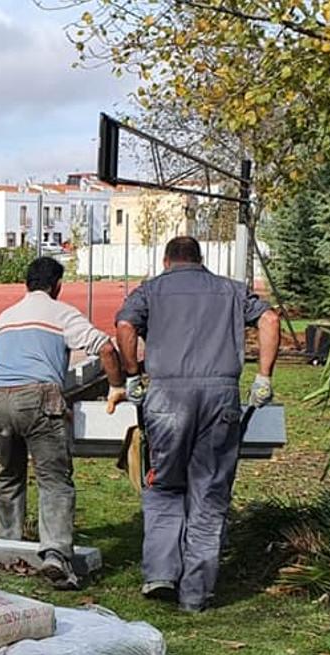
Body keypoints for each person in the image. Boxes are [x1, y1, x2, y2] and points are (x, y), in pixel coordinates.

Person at [114, 236, 280, 613]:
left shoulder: (150, 291)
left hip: (167, 398)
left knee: (163, 486)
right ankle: (195, 594)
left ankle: (160, 573)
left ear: (166, 260)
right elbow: (269, 318)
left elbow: (125, 325)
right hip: (220, 398)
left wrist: (132, 374)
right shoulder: (231, 290)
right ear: (200, 260)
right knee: (209, 493)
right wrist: (264, 376)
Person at [0, 256, 125, 589]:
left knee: (8, 475)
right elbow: (105, 347)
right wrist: (117, 386)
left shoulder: (4, 318)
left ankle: (10, 546)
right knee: (54, 480)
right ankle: (56, 555)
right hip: (38, 396)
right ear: (57, 286)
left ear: (26, 284)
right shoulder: (60, 313)